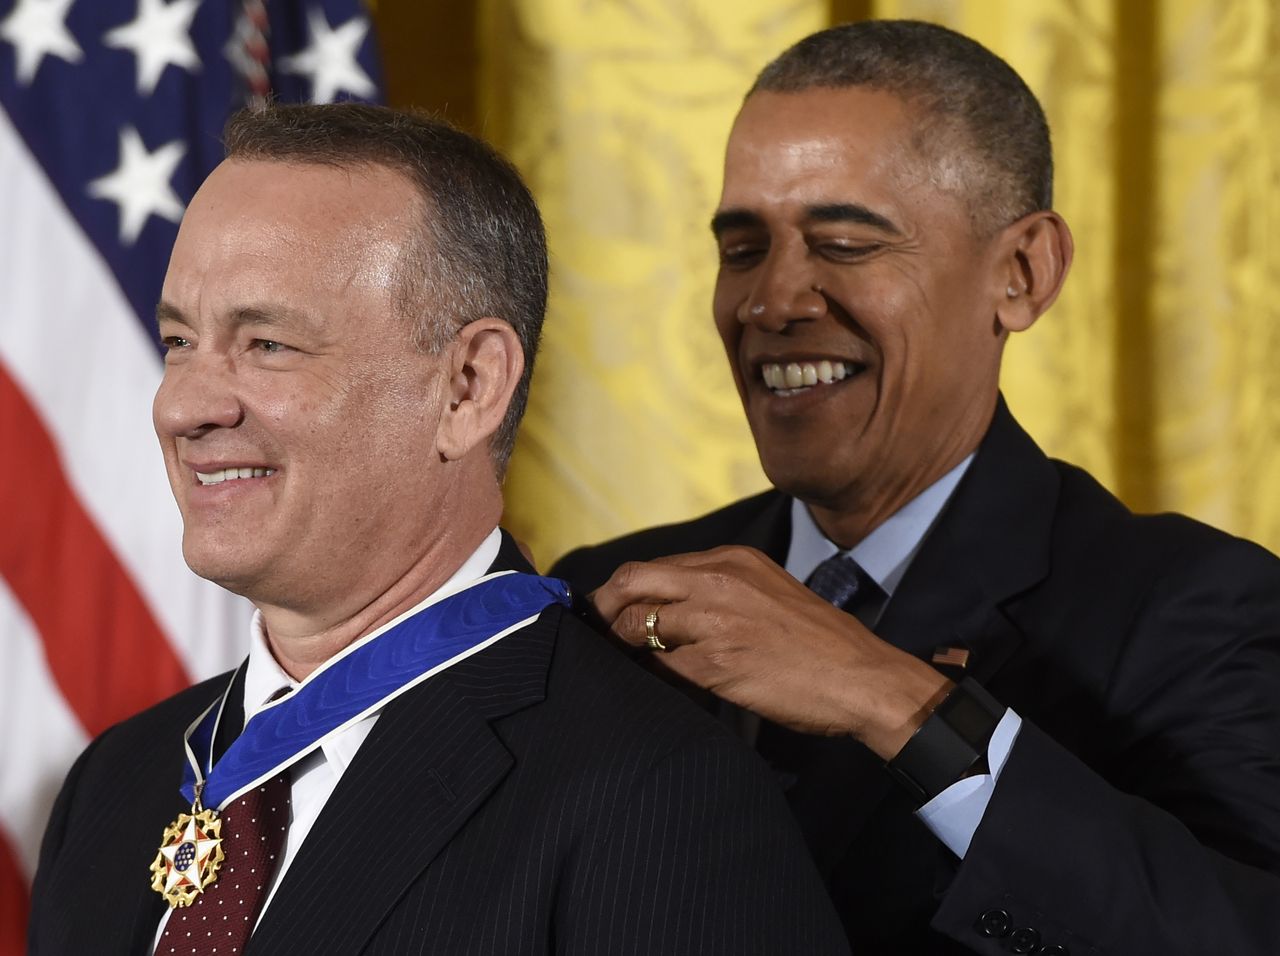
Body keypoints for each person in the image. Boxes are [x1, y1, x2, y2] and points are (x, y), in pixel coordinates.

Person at [27, 104, 849, 956]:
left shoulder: (657, 792)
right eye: (179, 341)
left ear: (468, 388)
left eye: (267, 344)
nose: (186, 406)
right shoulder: (114, 784)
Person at [553, 20, 1280, 956]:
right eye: (742, 250)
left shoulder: (1190, 607)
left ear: (1021, 275)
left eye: (845, 243)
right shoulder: (610, 588)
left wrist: (897, 704)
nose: (772, 302)